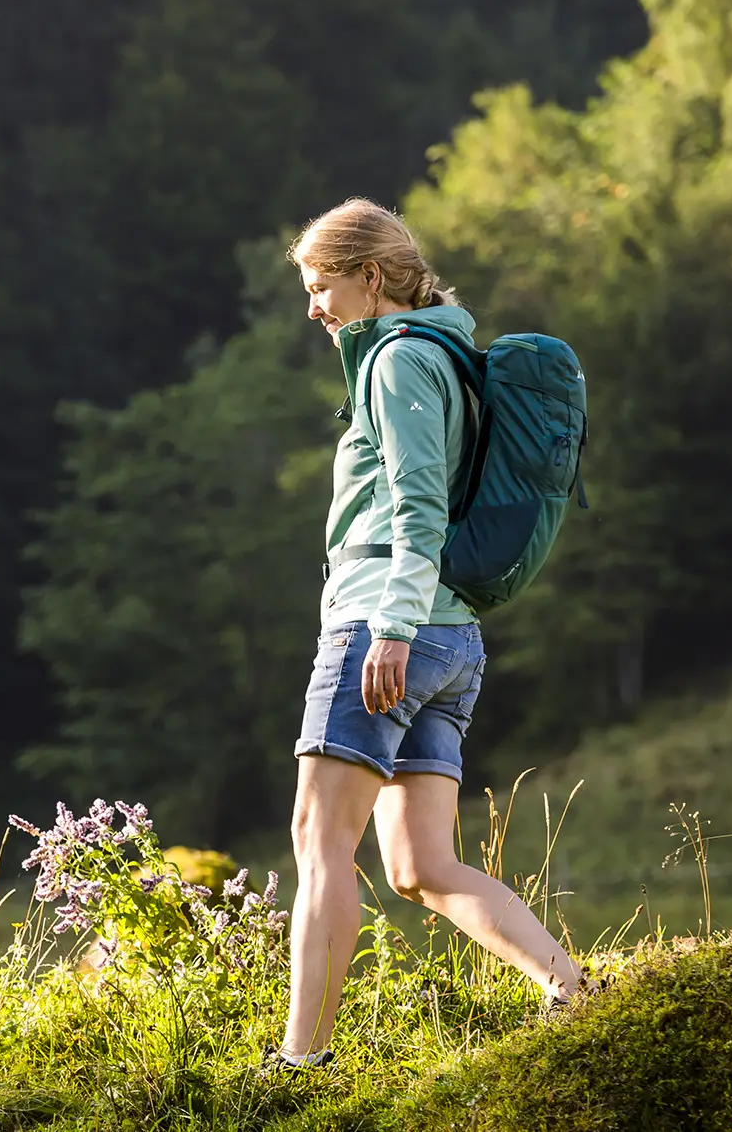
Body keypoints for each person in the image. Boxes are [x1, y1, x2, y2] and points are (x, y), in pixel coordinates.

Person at [274, 198, 586, 1070]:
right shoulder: (446, 352)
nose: (314, 309)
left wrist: (391, 629)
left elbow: (416, 505)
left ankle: (302, 1063)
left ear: (371, 278)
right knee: (419, 866)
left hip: (392, 627)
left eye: (322, 287)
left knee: (319, 838)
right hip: (453, 639)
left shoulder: (399, 362)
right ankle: (571, 988)